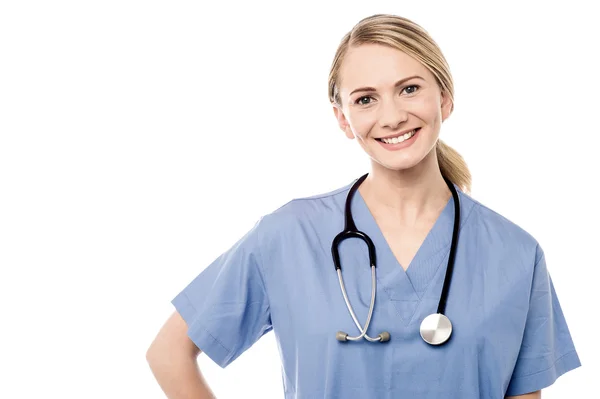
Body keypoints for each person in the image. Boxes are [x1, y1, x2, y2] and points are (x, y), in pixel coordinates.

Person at [146, 14, 581, 398]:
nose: (391, 116)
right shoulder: (288, 236)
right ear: (342, 118)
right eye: (365, 98)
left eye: (409, 89)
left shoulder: (516, 254)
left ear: (444, 98)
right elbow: (169, 355)